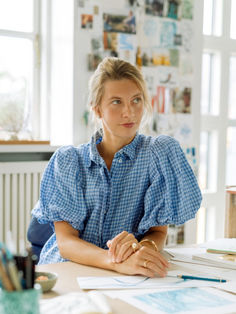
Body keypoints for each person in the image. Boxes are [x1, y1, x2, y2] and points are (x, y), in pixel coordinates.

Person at [31, 57, 202, 278]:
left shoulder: (158, 155)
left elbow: (157, 232)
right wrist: (116, 263)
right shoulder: (69, 161)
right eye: (116, 102)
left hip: (125, 275)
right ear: (97, 109)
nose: (129, 112)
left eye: (136, 100)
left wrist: (144, 249)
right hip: (69, 268)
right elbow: (66, 243)